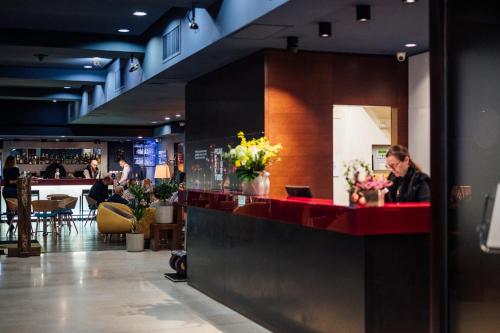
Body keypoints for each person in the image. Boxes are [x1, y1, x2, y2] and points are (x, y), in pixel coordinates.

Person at [2, 156, 20, 230]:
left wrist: (11, 181)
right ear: (14, 161)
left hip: (6, 190)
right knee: (17, 206)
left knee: (9, 207)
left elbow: (6, 181)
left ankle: (10, 222)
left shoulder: (4, 169)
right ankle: (19, 221)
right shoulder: (16, 169)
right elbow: (18, 180)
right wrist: (14, 181)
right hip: (14, 190)